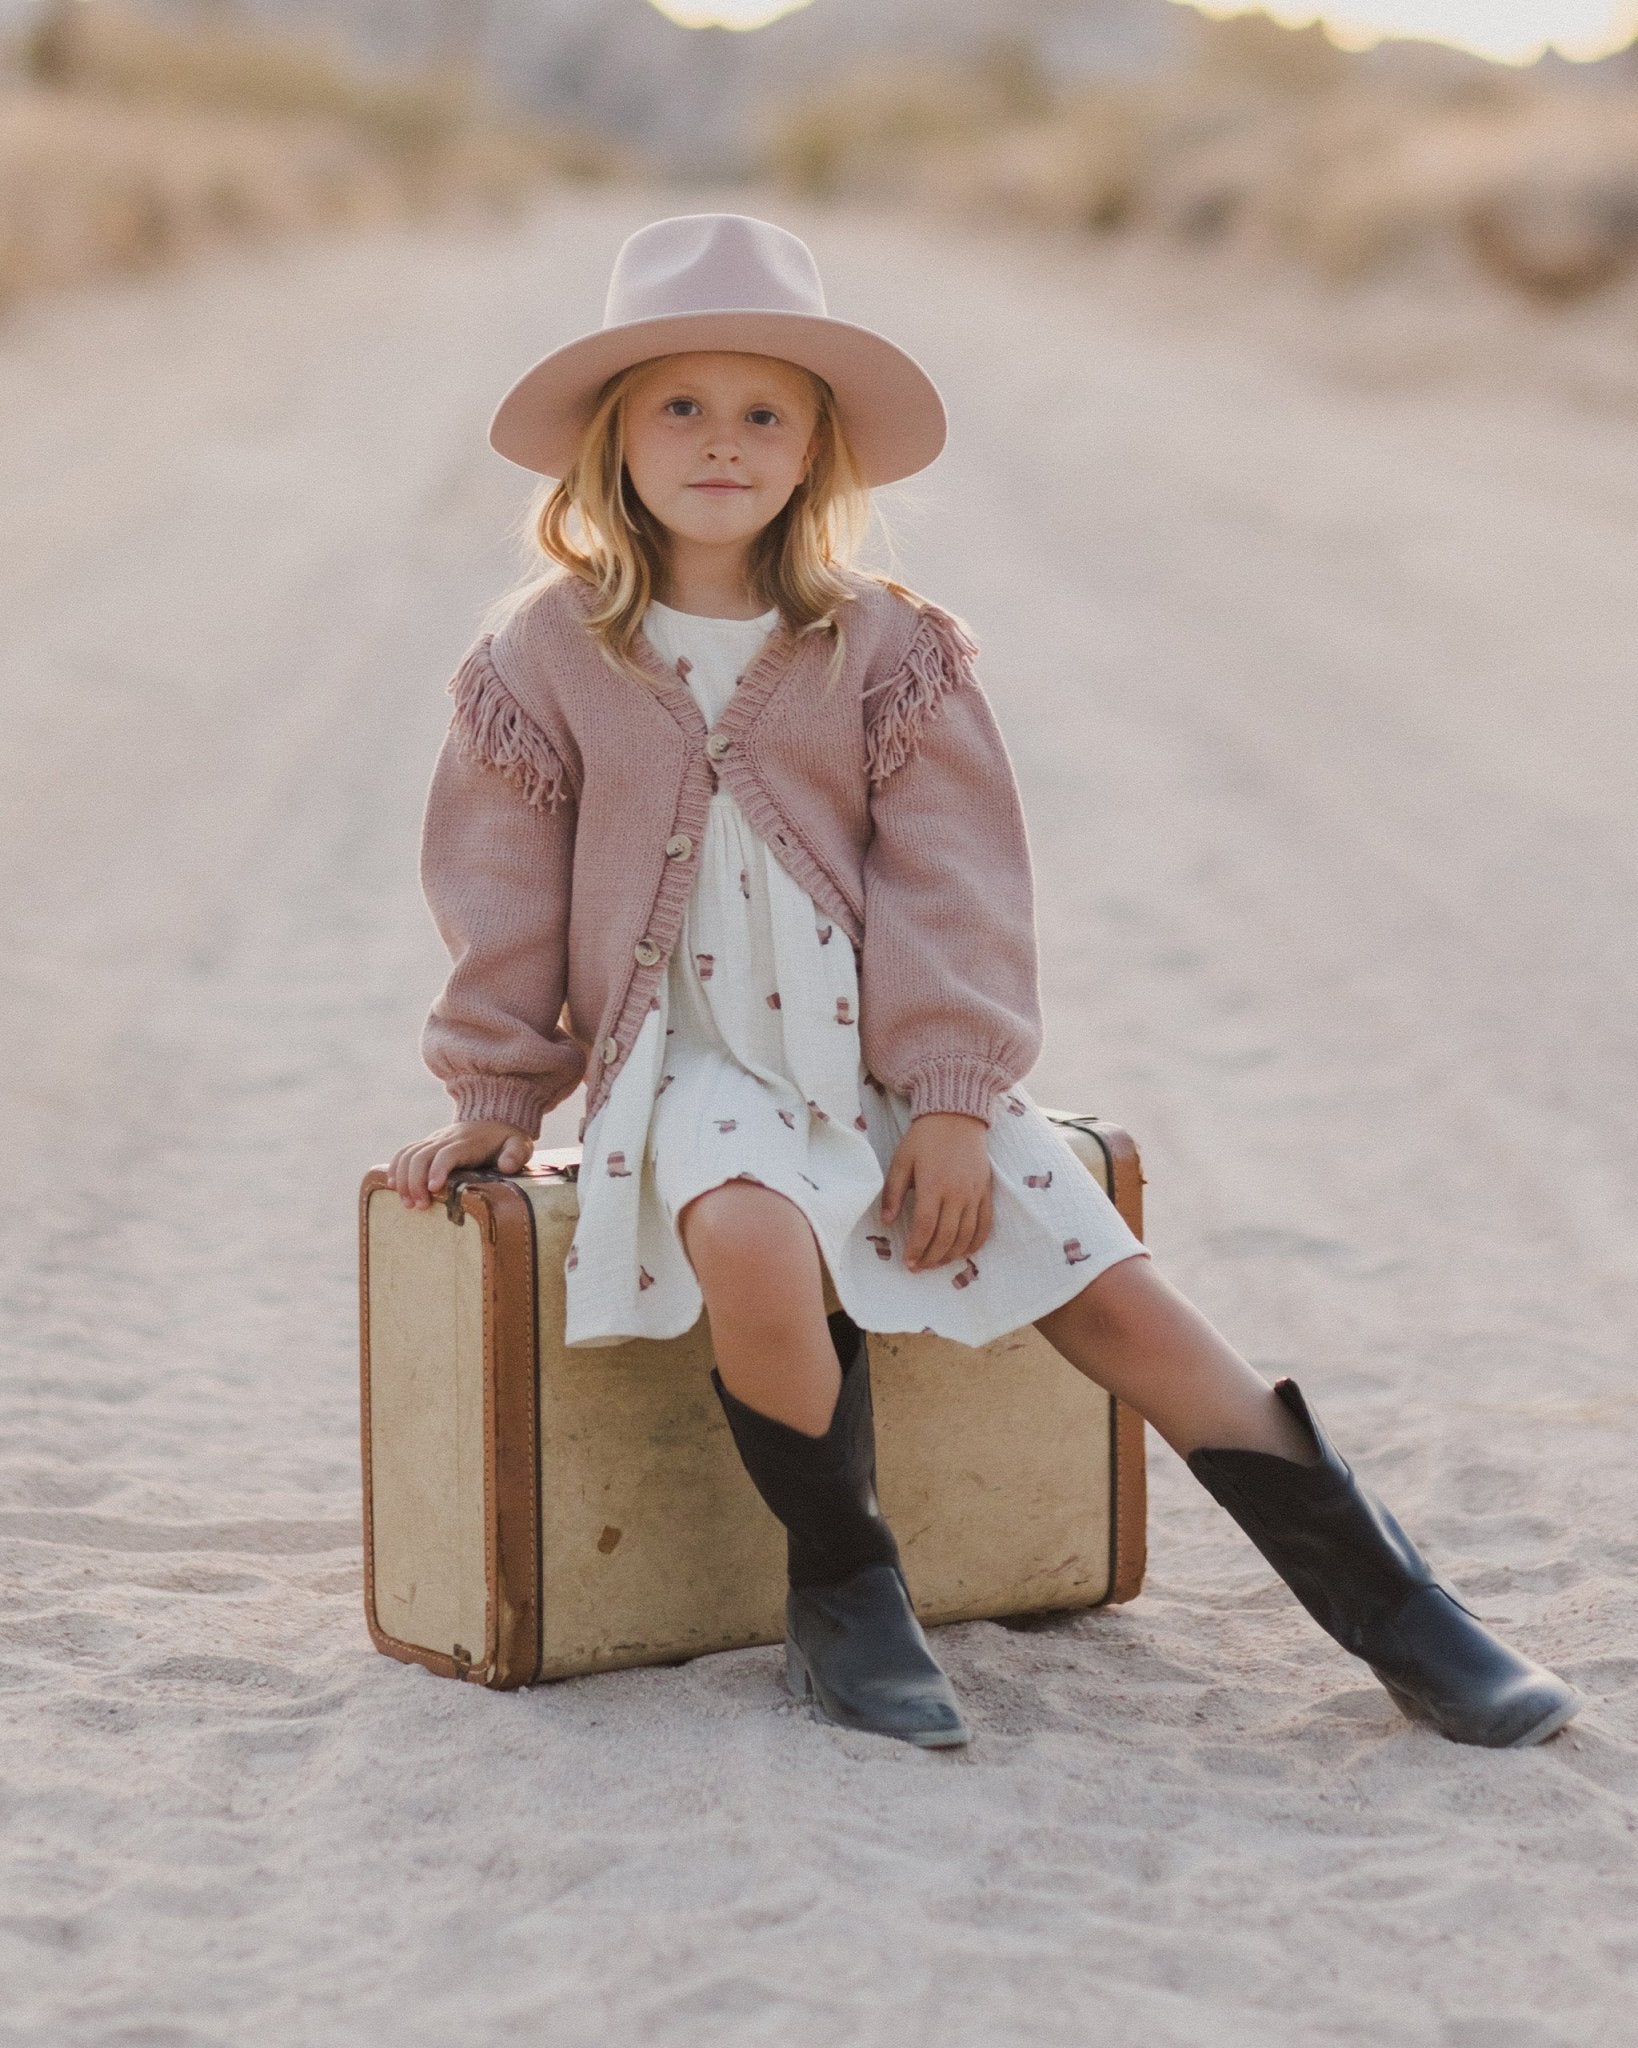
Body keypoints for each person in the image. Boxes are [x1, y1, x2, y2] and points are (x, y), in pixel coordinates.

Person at [387, 212, 1579, 1754]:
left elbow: (953, 884)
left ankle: (1399, 1611)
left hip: (881, 1060)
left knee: (1122, 1299)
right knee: (749, 1238)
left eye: (765, 412)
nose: (721, 442)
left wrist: (948, 1101)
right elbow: (498, 901)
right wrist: (492, 1098)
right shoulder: (544, 659)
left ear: (818, 451)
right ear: (611, 441)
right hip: (693, 1066)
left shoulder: (886, 649)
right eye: (679, 405)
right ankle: (847, 1586)